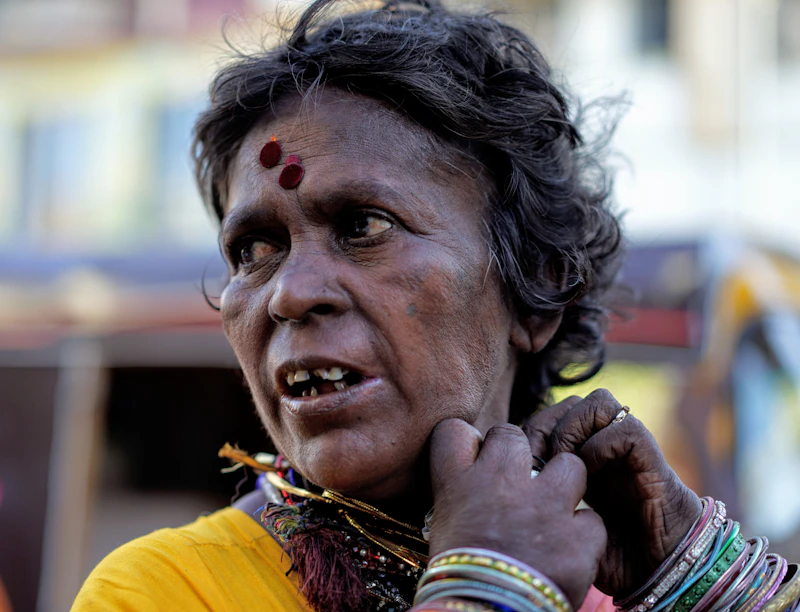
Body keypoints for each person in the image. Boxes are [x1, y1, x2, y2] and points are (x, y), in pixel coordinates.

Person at [72, 1, 800, 611]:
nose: (289, 293)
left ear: (534, 292)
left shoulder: (604, 573)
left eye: (363, 226)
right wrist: (487, 587)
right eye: (253, 249)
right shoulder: (163, 592)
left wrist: (698, 581)